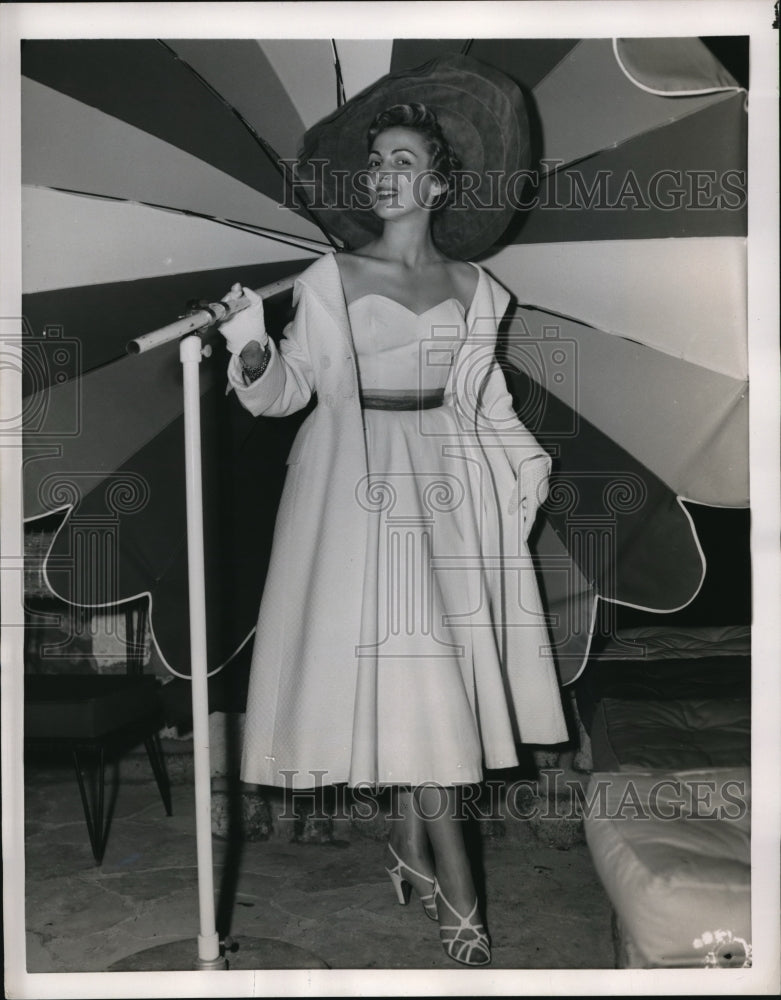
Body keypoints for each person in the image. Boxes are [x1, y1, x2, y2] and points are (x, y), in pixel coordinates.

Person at [218, 56, 568, 968]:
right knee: (412, 681)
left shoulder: (479, 290)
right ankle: (461, 892)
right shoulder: (328, 278)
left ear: (438, 183)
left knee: (428, 684)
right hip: (352, 492)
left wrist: (524, 476)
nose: (382, 176)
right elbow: (290, 390)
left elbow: (484, 404)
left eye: (402, 161)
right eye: (375, 163)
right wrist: (251, 351)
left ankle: (409, 840)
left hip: (448, 493)